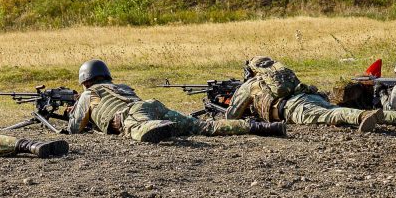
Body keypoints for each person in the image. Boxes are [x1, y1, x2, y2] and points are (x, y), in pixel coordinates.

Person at [67, 59, 287, 142]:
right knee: (205, 126)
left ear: (85, 81)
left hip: (132, 116)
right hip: (150, 105)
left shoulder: (88, 94)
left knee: (138, 130)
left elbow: (75, 129)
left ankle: (159, 128)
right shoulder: (122, 87)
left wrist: (74, 110)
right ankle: (262, 127)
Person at [225, 56, 396, 132]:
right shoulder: (281, 75)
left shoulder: (252, 83)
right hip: (309, 97)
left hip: (294, 108)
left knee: (335, 116)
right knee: (335, 109)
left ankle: (362, 116)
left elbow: (231, 117)